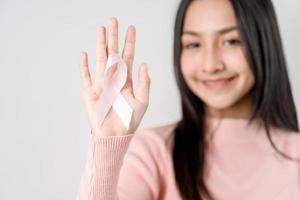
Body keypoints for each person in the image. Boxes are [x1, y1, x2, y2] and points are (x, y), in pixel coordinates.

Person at [76, 0, 300, 199]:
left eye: (231, 41)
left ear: (263, 43)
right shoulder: (154, 151)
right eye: (193, 44)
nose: (211, 65)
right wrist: (107, 145)